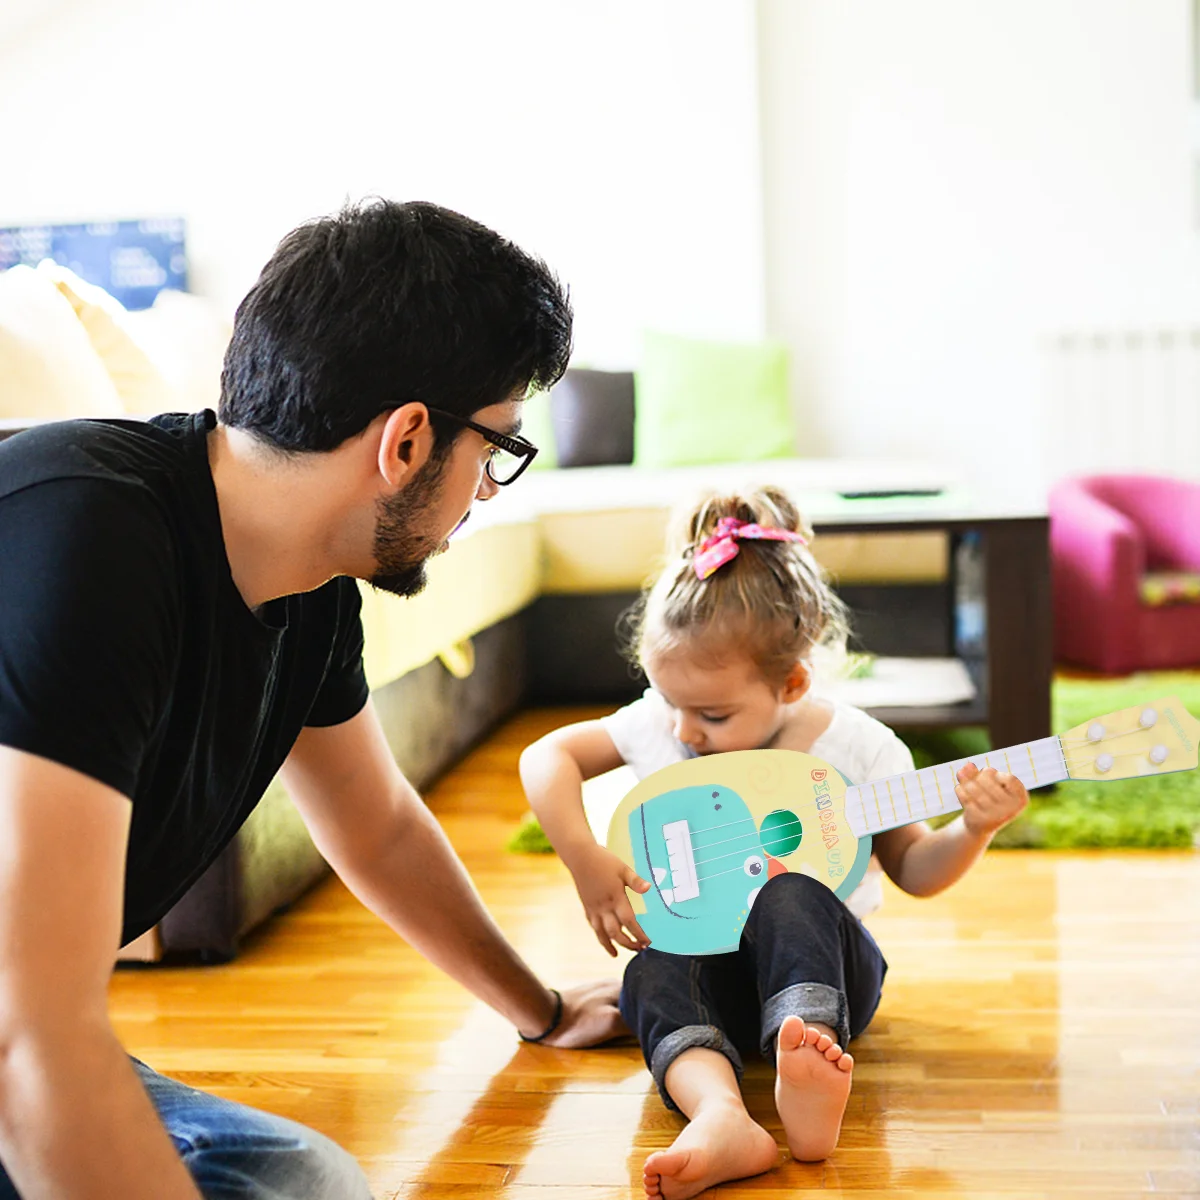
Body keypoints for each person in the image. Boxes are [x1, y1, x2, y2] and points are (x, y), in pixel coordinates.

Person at [0, 199, 625, 1200]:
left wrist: (542, 1010)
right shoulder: (89, 538)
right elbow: (27, 1041)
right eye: (498, 449)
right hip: (18, 1039)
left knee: (303, 1181)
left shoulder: (312, 592)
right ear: (408, 440)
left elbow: (374, 826)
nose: (490, 491)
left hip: (24, 1036)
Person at [519, 487, 1030, 1200]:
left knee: (788, 889)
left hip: (828, 976)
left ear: (791, 683)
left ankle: (806, 1064)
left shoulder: (859, 746)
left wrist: (975, 827)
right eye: (672, 705)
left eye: (714, 714)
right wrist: (583, 859)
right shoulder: (664, 722)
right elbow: (546, 758)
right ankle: (720, 1115)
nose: (686, 731)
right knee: (653, 963)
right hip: (717, 983)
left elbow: (915, 869)